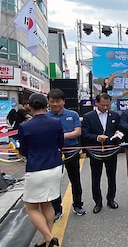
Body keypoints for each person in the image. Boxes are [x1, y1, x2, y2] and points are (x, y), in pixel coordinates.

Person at [18, 93, 62, 247]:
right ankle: (45, 240)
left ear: (29, 106)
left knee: (31, 207)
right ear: (47, 105)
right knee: (47, 204)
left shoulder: (24, 126)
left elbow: (23, 150)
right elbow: (60, 144)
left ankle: (49, 237)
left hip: (36, 168)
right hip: (55, 166)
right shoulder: (56, 123)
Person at [46, 89, 86, 221]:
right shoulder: (46, 116)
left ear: (63, 101)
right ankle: (57, 209)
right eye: (52, 101)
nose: (55, 104)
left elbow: (78, 132)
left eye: (58, 101)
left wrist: (60, 136)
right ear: (48, 102)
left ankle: (78, 205)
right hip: (53, 152)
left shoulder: (72, 114)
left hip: (71, 150)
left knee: (75, 179)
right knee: (54, 181)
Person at [81, 93, 122, 214]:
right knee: (96, 178)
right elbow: (84, 133)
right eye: (103, 105)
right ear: (96, 103)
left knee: (112, 177)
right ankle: (98, 202)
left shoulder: (114, 115)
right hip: (95, 152)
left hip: (110, 151)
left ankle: (111, 199)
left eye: (108, 105)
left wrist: (118, 132)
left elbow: (118, 128)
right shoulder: (88, 116)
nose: (105, 107)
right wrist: (97, 137)